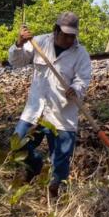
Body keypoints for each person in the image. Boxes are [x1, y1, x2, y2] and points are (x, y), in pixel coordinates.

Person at [8, 12, 91, 197]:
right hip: (35, 111)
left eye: (72, 35)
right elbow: (15, 62)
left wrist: (75, 89)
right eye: (65, 35)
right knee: (17, 143)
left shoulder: (80, 53)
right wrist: (19, 43)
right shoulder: (39, 42)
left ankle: (56, 197)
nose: (69, 39)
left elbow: (83, 79)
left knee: (60, 163)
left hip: (62, 114)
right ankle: (35, 164)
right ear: (56, 30)